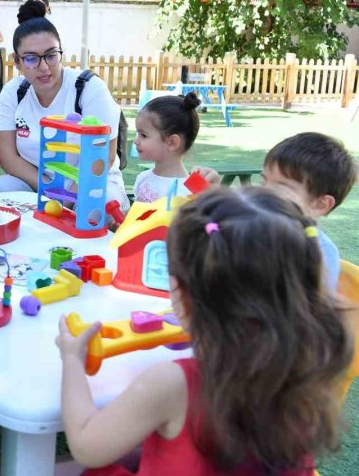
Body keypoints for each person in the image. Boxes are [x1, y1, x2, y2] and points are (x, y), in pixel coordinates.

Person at [57, 187, 352, 475]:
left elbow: (86, 446)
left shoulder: (172, 383)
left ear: (183, 298)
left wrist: (72, 360)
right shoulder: (310, 369)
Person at [0, 0, 128, 212]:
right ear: (17, 61)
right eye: (31, 58)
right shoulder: (13, 92)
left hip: (92, 183)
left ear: (61, 52)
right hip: (37, 184)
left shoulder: (88, 88)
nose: (44, 67)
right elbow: (7, 157)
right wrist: (50, 191)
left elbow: (102, 156)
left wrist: (68, 200)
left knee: (91, 208)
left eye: (51, 55)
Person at [262, 133, 357, 291]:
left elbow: (309, 311)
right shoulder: (255, 226)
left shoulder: (321, 254)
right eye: (264, 181)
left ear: (320, 205)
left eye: (281, 187)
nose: (263, 192)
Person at [132, 92, 203, 203]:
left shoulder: (189, 192)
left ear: (172, 142)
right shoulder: (143, 178)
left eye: (143, 135)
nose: (135, 141)